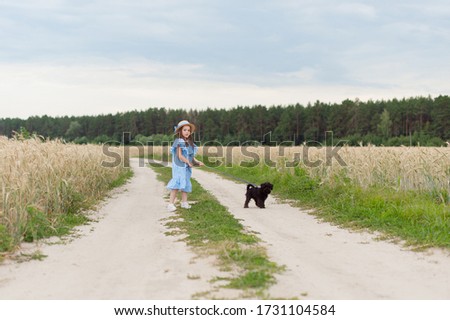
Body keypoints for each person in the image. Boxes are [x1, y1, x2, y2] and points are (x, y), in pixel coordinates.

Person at [166, 120, 204, 212]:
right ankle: (171, 204)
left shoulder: (190, 143)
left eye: (188, 130)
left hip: (186, 167)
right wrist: (187, 162)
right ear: (180, 131)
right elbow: (180, 156)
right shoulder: (179, 142)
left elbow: (191, 157)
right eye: (185, 130)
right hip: (179, 167)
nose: (187, 132)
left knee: (186, 183)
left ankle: (184, 202)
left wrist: (197, 162)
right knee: (177, 183)